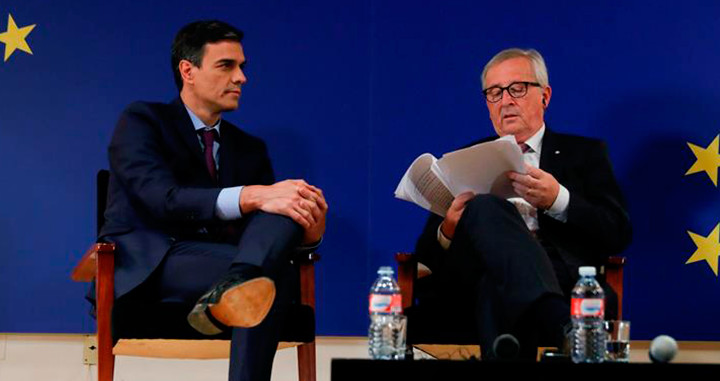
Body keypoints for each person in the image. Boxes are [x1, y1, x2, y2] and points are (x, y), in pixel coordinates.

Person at [99, 20, 327, 381]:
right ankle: (240, 281)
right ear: (188, 70)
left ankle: (236, 281)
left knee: (283, 201)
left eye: (242, 67)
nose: (241, 78)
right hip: (156, 264)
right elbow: (162, 199)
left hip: (226, 261)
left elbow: (264, 230)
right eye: (226, 65)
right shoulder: (143, 120)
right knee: (272, 268)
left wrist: (309, 230)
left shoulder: (250, 148)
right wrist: (252, 195)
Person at [413, 48, 631, 358]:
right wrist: (448, 229)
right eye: (494, 93)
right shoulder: (463, 160)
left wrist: (559, 199)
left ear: (545, 95)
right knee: (485, 207)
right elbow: (424, 258)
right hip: (471, 276)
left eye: (517, 88)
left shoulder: (584, 154)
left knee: (495, 287)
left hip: (557, 274)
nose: (505, 101)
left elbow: (618, 232)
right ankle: (560, 323)